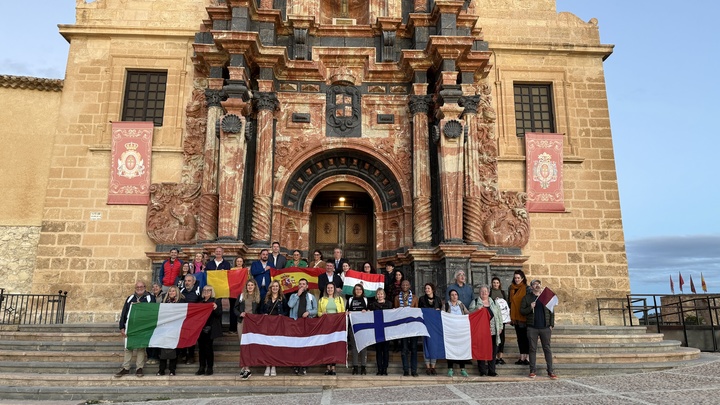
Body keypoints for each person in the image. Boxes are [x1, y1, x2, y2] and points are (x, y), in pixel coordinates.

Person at [114, 280, 155, 378]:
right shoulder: (130, 298)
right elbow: (124, 312)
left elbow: (152, 312)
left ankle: (139, 368)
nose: (139, 289)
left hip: (142, 327)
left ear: (145, 287)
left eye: (141, 287)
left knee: (140, 347)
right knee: (128, 347)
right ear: (135, 288)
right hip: (130, 326)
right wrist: (122, 327)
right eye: (137, 287)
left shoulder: (150, 298)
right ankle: (126, 368)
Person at [521, 279, 557, 379]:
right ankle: (532, 370)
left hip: (545, 327)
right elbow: (522, 311)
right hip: (532, 327)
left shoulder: (545, 297)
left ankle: (550, 371)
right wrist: (530, 307)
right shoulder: (527, 298)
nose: (537, 286)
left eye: (538, 284)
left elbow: (552, 311)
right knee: (532, 349)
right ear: (531, 286)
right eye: (534, 284)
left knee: (547, 349)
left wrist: (551, 324)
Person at [470, 285, 503, 377]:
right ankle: (482, 371)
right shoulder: (475, 302)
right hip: (481, 332)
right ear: (479, 293)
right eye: (482, 291)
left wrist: (500, 327)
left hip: (493, 331)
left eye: (485, 291)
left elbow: (499, 316)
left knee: (493, 351)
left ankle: (492, 370)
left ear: (488, 292)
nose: (484, 293)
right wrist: (477, 310)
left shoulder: (494, 303)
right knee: (481, 350)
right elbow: (470, 314)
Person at [288, 278, 317, 375]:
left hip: (307, 323)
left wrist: (308, 312)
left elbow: (315, 310)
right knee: (296, 344)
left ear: (307, 286)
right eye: (300, 284)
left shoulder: (311, 297)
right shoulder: (293, 295)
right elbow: (290, 305)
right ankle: (296, 365)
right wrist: (297, 295)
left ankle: (304, 366)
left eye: (304, 284)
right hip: (295, 323)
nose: (302, 285)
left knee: (305, 345)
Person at [234, 278, 261, 380]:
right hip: (242, 322)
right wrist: (240, 313)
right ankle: (246, 367)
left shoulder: (258, 297)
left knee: (250, 345)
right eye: (248, 285)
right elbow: (235, 308)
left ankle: (246, 368)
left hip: (253, 324)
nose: (250, 287)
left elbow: (260, 311)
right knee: (243, 344)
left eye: (252, 285)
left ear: (255, 287)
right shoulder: (241, 296)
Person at [259, 280, 287, 376]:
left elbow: (286, 310)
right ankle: (267, 366)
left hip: (278, 325)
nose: (275, 288)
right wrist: (264, 314)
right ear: (270, 288)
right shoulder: (265, 298)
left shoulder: (282, 298)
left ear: (279, 288)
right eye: (273, 286)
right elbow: (260, 310)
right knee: (267, 345)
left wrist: (281, 315)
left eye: (276, 286)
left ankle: (274, 365)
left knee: (275, 345)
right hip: (267, 325)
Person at [318, 282, 345, 375]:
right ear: (326, 289)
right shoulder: (322, 300)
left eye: (331, 288)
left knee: (334, 346)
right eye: (328, 288)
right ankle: (327, 367)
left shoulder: (339, 299)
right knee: (326, 345)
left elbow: (342, 312)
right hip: (325, 326)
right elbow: (319, 313)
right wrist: (322, 314)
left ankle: (333, 367)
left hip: (336, 326)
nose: (330, 290)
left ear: (334, 289)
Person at [157, 286, 185, 376]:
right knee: (163, 348)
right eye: (170, 291)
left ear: (177, 292)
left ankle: (172, 370)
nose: (171, 293)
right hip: (165, 328)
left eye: (173, 291)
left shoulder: (181, 302)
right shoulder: (164, 302)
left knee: (173, 349)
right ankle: (161, 369)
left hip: (176, 328)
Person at [196, 285, 222, 376]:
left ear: (212, 292)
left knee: (208, 348)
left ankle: (209, 367)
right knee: (201, 349)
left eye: (209, 290)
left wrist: (215, 308)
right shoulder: (200, 302)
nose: (206, 292)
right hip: (200, 328)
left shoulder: (216, 301)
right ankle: (201, 367)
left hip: (210, 328)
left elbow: (219, 314)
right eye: (205, 290)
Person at [394, 279, 419, 377]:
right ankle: (405, 369)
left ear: (409, 286)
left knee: (414, 348)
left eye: (407, 284)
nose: (405, 286)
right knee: (404, 348)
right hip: (402, 326)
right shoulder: (397, 298)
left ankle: (414, 370)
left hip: (413, 326)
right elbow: (395, 310)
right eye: (403, 284)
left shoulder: (415, 298)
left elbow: (417, 311)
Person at [444, 289, 470, 377]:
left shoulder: (461, 305)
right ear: (449, 296)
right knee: (451, 348)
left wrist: (477, 312)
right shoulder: (446, 305)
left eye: (455, 294)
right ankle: (450, 368)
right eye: (452, 295)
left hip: (461, 331)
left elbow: (467, 314)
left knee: (462, 349)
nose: (454, 296)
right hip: (450, 331)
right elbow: (442, 315)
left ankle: (463, 368)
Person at [418, 282, 442, 375]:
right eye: (426, 288)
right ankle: (427, 367)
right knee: (426, 345)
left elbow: (441, 312)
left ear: (432, 289)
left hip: (435, 326)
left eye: (428, 288)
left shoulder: (438, 300)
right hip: (425, 325)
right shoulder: (422, 299)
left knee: (434, 346)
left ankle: (433, 366)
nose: (427, 290)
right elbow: (419, 311)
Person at [368, 288, 392, 375]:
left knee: (385, 350)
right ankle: (379, 369)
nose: (380, 295)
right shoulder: (373, 305)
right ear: (376, 295)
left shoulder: (389, 304)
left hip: (386, 330)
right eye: (378, 294)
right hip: (377, 330)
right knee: (378, 350)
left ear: (384, 295)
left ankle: (385, 369)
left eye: (381, 294)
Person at [508, 270, 530, 365]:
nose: (516, 280)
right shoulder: (511, 288)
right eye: (515, 278)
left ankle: (527, 358)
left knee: (526, 338)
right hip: (515, 318)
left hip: (524, 317)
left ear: (522, 278)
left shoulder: (527, 288)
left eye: (518, 278)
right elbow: (509, 302)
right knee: (519, 338)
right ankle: (522, 357)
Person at [179, 274, 201, 364]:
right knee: (182, 337)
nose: (187, 283)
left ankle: (191, 356)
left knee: (191, 337)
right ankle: (183, 355)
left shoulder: (198, 291)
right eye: (186, 281)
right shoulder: (181, 291)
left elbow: (201, 303)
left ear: (194, 282)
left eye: (189, 281)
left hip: (193, 319)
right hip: (183, 319)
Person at [347, 283, 369, 375]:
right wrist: (348, 313)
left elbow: (369, 312)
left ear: (362, 290)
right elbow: (346, 311)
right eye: (356, 289)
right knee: (354, 347)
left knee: (363, 346)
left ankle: (363, 366)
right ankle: (355, 366)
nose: (358, 291)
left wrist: (366, 311)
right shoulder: (350, 299)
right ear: (354, 291)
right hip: (353, 326)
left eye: (360, 289)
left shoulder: (365, 299)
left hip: (363, 326)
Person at [490, 276, 510, 365]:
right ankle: (494, 355)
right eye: (494, 283)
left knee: (502, 337)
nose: (495, 284)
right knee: (494, 337)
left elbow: (506, 305)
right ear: (492, 284)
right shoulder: (490, 292)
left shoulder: (502, 292)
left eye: (497, 283)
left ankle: (500, 357)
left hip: (502, 318)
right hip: (493, 318)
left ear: (499, 284)